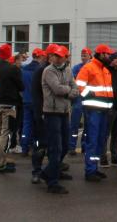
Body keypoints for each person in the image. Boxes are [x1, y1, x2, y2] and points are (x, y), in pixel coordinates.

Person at [78, 44, 116, 181]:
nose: (109, 56)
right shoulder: (88, 67)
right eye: (107, 54)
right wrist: (91, 93)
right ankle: (90, 171)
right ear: (100, 54)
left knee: (100, 141)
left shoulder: (105, 69)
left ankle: (94, 168)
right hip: (93, 111)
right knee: (93, 141)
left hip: (104, 110)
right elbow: (79, 86)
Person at [41, 45, 76, 194]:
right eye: (55, 55)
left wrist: (68, 90)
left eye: (60, 56)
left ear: (65, 57)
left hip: (64, 111)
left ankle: (49, 171)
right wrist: (68, 90)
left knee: (66, 145)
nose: (57, 58)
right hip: (52, 112)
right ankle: (52, 181)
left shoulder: (68, 70)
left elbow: (76, 89)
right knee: (56, 148)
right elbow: (57, 89)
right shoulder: (49, 71)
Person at [0, 44, 24, 174]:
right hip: (9, 104)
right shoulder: (13, 69)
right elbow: (21, 86)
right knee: (6, 133)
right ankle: (0, 163)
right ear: (9, 55)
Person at [21, 48, 48, 157]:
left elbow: (21, 86)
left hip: (26, 100)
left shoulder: (24, 70)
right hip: (37, 102)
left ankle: (24, 147)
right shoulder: (41, 70)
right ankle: (36, 147)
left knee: (26, 125)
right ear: (40, 57)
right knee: (38, 126)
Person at [68, 47, 90, 155]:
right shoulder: (76, 68)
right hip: (78, 100)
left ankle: (84, 146)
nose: (83, 58)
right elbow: (73, 83)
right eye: (82, 56)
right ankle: (71, 146)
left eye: (85, 55)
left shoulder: (92, 68)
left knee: (87, 125)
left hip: (88, 100)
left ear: (90, 56)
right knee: (74, 124)